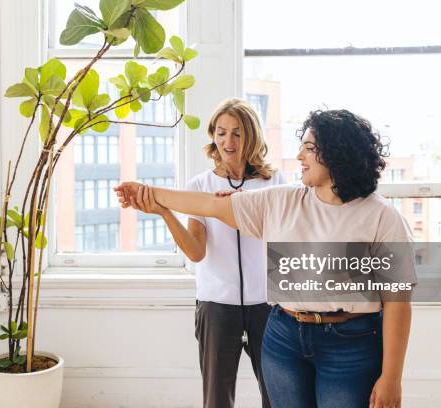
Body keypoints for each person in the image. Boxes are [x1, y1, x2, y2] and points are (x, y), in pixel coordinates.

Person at [115, 109, 415, 408]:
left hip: (350, 343)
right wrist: (149, 193)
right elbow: (206, 204)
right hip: (284, 337)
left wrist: (391, 378)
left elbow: (398, 304)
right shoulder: (281, 200)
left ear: (338, 154)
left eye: (309, 149)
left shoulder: (383, 218)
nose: (300, 156)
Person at [130, 98, 285, 408]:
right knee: (216, 399)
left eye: (237, 133)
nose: (228, 141)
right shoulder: (199, 185)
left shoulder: (274, 182)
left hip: (266, 305)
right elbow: (196, 252)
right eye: (221, 132)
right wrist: (165, 212)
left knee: (278, 394)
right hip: (217, 306)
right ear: (213, 135)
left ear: (251, 136)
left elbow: (285, 241)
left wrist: (239, 207)